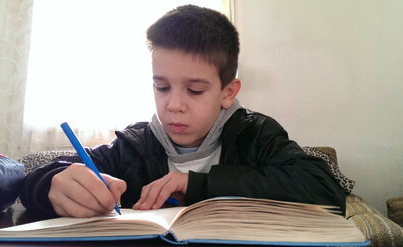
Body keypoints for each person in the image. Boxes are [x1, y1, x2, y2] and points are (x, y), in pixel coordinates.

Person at [20, 5, 345, 218]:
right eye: (161, 87)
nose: (173, 104)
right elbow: (35, 180)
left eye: (195, 90)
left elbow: (324, 188)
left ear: (228, 93)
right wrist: (50, 184)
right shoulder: (134, 144)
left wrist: (196, 184)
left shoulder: (255, 134)